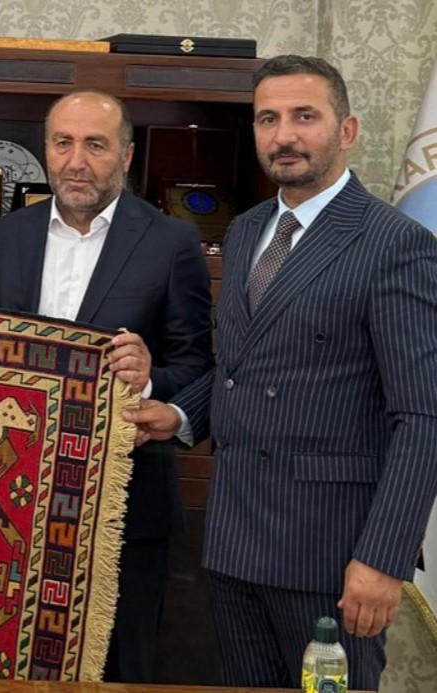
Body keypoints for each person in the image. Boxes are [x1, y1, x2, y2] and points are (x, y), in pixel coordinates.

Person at [125, 55, 437, 691]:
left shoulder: (395, 244)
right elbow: (241, 368)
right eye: (268, 119)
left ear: (346, 131)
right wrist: (179, 415)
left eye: (304, 116)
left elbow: (422, 417)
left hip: (332, 554)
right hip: (235, 541)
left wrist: (382, 560)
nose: (284, 135)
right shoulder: (244, 231)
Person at [0, 90, 213, 682]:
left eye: (95, 145)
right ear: (46, 150)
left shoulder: (172, 243)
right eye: (63, 143)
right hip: (13, 502)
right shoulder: (4, 237)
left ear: (126, 156)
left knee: (120, 670)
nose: (76, 161)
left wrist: (151, 376)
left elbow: (200, 366)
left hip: (126, 510)